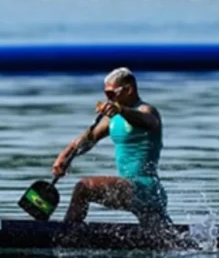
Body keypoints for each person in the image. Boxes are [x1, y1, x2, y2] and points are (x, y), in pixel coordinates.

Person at [51, 67, 171, 229]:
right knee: (166, 237)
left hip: (145, 188)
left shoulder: (146, 110)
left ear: (128, 90)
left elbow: (149, 122)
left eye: (110, 94)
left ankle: (67, 235)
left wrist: (121, 110)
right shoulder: (113, 119)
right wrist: (64, 156)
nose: (107, 99)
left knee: (84, 188)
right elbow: (89, 138)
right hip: (134, 191)